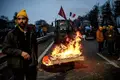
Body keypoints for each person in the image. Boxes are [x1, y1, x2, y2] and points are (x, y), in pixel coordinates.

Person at [2, 9, 38, 80]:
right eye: (19, 19)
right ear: (17, 20)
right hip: (17, 65)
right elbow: (5, 49)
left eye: (23, 19)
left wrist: (35, 62)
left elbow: (35, 48)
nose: (21, 21)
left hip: (30, 64)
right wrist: (20, 53)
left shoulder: (32, 33)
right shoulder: (11, 34)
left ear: (27, 20)